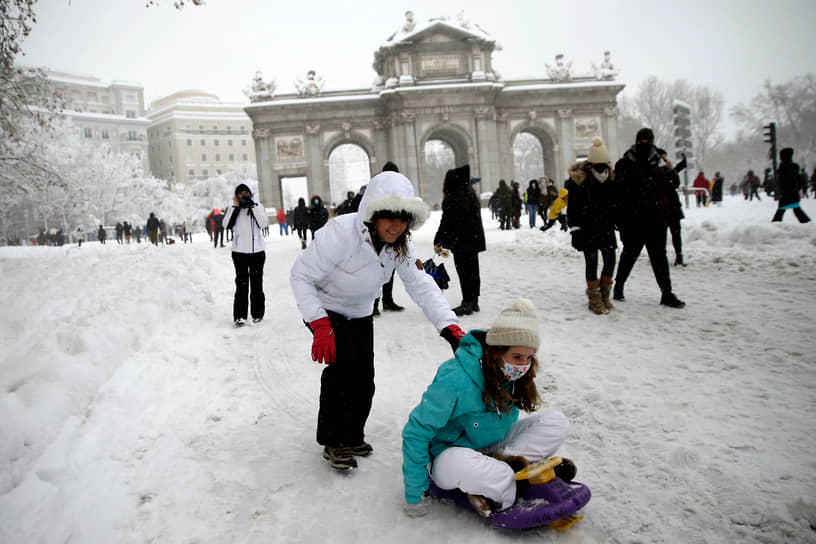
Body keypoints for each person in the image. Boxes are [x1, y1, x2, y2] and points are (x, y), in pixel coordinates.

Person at [290, 170, 465, 471]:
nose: (396, 225)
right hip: (326, 306)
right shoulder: (341, 233)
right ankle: (334, 440)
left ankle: (352, 434)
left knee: (364, 377)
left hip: (359, 310)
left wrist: (449, 328)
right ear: (372, 213)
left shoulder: (401, 245)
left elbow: (420, 285)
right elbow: (301, 276)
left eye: (403, 218)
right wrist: (319, 324)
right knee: (342, 372)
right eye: (388, 216)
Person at [402, 298, 572, 518]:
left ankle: (505, 474)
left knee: (556, 422)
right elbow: (416, 432)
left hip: (491, 449)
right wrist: (415, 493)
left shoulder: (513, 374)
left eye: (529, 357)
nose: (523, 365)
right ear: (496, 351)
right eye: (517, 357)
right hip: (450, 457)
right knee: (458, 462)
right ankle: (521, 483)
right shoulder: (456, 377)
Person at [612, 128, 684, 308]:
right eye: (643, 141)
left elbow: (617, 192)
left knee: (634, 256)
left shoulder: (627, 162)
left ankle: (620, 288)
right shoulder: (655, 163)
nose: (644, 144)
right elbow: (674, 182)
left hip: (641, 218)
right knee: (652, 257)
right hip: (648, 217)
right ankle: (664, 293)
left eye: (646, 141)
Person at [565, 138, 617, 314]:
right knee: (592, 261)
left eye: (605, 163)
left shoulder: (611, 178)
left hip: (606, 225)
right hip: (588, 227)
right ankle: (594, 298)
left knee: (610, 259)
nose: (602, 167)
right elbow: (572, 207)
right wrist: (574, 228)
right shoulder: (579, 180)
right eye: (599, 164)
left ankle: (604, 293)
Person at [434, 164, 486, 316]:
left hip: (461, 241)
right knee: (473, 271)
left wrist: (439, 238)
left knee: (464, 272)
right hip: (472, 239)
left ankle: (467, 302)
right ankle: (474, 300)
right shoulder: (469, 193)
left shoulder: (453, 197)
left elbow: (447, 222)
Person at [223, 183, 269, 326]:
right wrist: (235, 207)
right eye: (240, 193)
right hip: (239, 252)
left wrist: (253, 206)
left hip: (257, 252)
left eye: (246, 193)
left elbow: (263, 223)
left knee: (257, 283)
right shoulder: (232, 208)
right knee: (241, 284)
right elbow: (225, 225)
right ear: (236, 196)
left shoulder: (257, 207)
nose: (243, 196)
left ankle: (257, 313)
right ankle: (240, 316)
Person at [659, 149, 687, 267]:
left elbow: (675, 181)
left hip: (670, 207)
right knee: (662, 234)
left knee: (675, 232)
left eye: (666, 158)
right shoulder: (657, 171)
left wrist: (675, 168)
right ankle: (661, 256)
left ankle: (678, 255)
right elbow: (674, 182)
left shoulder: (666, 171)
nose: (666, 161)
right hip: (663, 207)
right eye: (663, 159)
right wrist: (671, 170)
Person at [772, 148, 811, 223]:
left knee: (782, 210)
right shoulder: (794, 166)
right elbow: (799, 179)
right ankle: (806, 222)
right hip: (792, 192)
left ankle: (775, 224)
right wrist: (797, 188)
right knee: (795, 209)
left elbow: (783, 179)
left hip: (786, 192)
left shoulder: (783, 166)